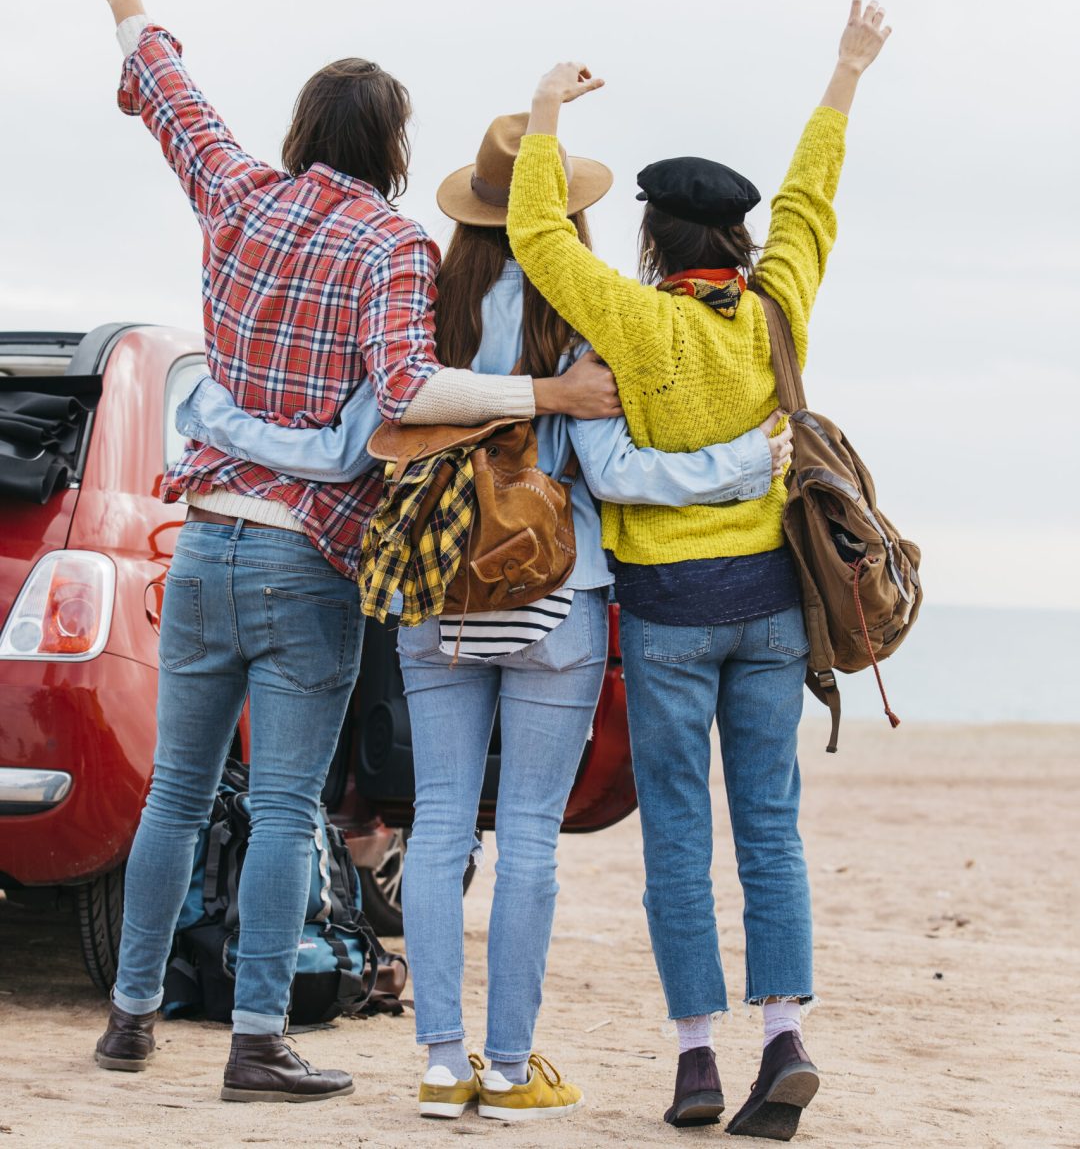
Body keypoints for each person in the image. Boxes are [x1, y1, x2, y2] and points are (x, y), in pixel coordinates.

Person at [84, 0, 620, 1104]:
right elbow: (410, 390)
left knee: (176, 792)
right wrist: (548, 389)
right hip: (303, 559)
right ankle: (256, 1037)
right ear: (390, 145)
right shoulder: (387, 242)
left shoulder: (236, 194)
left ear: (301, 133)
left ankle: (127, 1019)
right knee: (281, 806)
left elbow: (175, 103)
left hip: (207, 534)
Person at [184, 111, 792, 1123]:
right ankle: (508, 1070)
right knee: (531, 840)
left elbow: (385, 416)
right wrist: (744, 462)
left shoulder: (427, 300)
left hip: (439, 594)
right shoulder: (583, 317)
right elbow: (614, 471)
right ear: (567, 220)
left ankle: (438, 1062)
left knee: (437, 835)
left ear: (470, 214)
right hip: (556, 595)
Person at [504, 0, 892, 1139]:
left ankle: (695, 1064)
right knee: (768, 825)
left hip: (667, 617)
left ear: (652, 240)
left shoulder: (632, 320)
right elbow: (814, 200)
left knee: (677, 829)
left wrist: (541, 115)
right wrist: (847, 72)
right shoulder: (777, 311)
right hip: (773, 609)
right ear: (737, 239)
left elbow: (532, 237)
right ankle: (784, 1035)